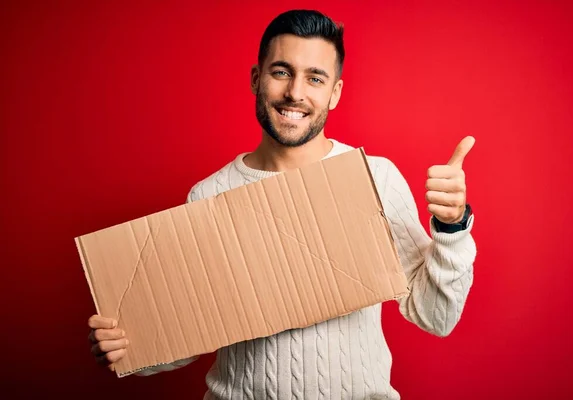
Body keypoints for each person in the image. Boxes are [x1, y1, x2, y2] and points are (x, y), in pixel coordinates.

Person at [87, 9, 477, 399]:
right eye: (281, 72)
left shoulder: (376, 178)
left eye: (315, 78)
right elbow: (186, 333)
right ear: (257, 79)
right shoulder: (209, 195)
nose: (295, 92)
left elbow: (435, 316)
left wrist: (452, 228)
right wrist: (127, 345)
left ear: (335, 93)